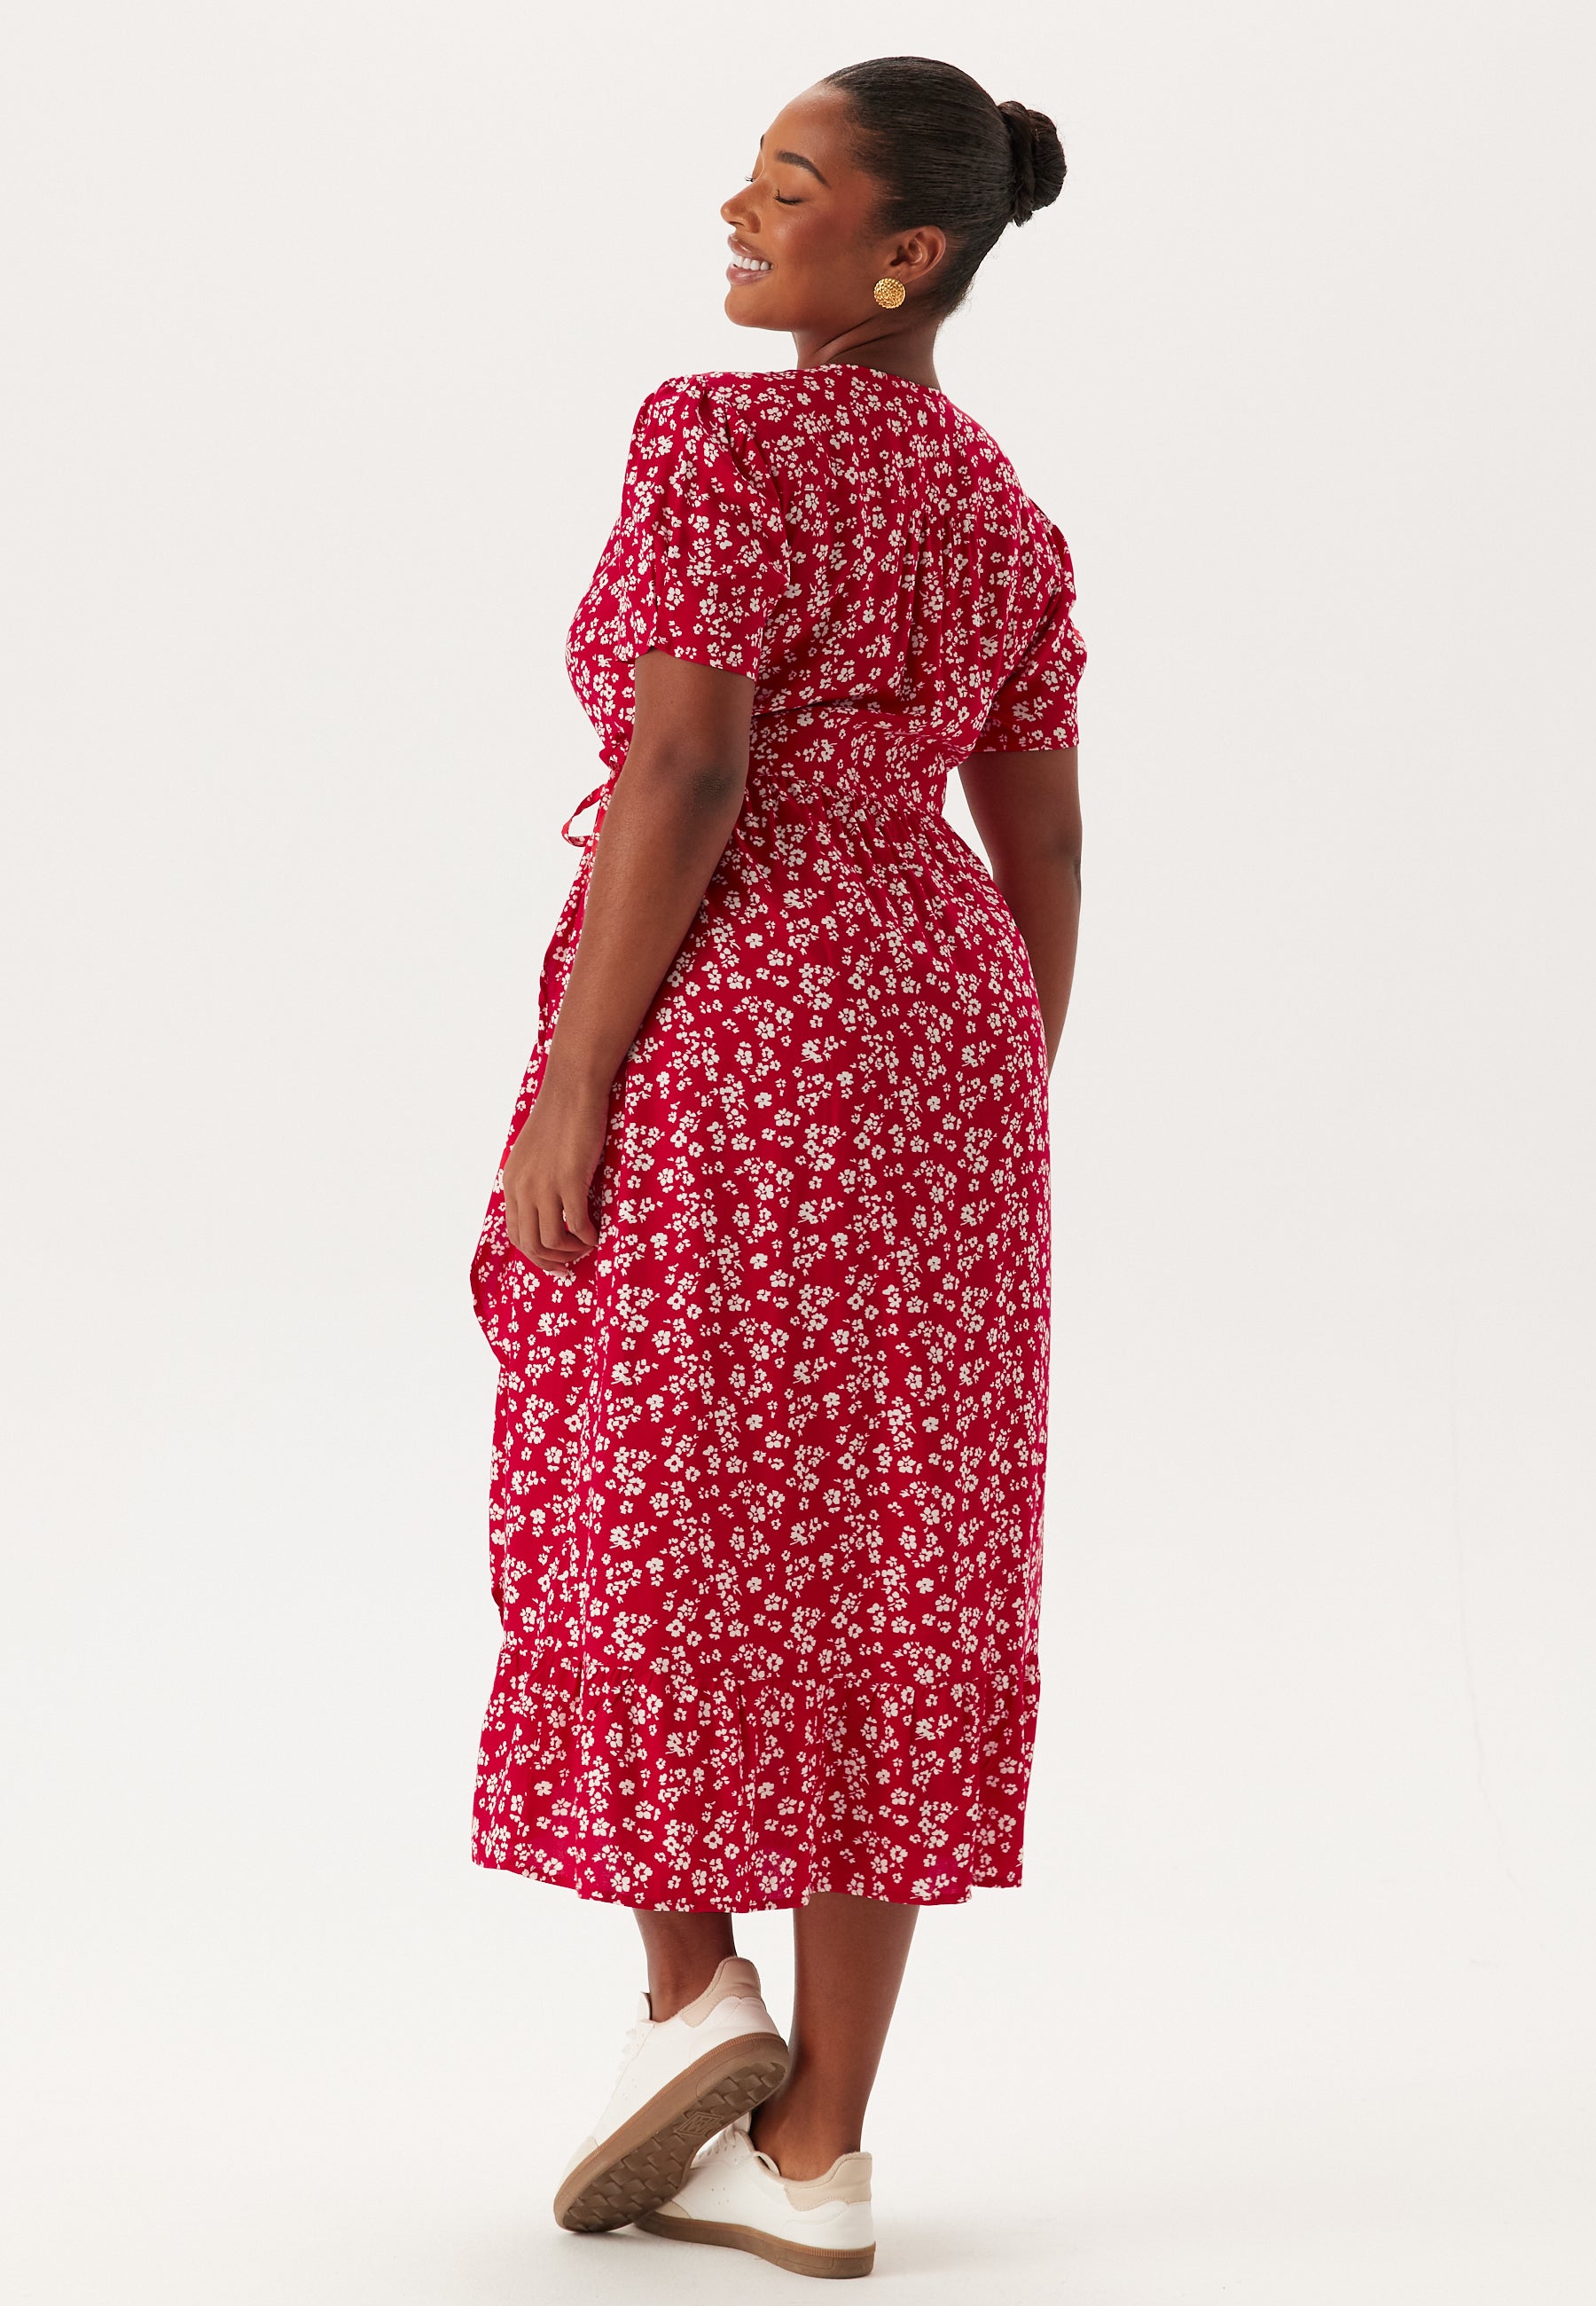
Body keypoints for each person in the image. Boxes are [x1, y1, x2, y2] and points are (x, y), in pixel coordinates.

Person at [467, 53, 1085, 2281]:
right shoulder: (1005, 511)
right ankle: (819, 2152)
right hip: (942, 1034)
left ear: (902, 254)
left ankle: (691, 1995)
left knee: (638, 1480)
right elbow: (1044, 834)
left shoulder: (721, 441)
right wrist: (998, 1094)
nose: (739, 208)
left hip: (738, 1016)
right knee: (891, 1560)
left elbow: (687, 771)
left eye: (788, 182)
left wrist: (579, 1080)